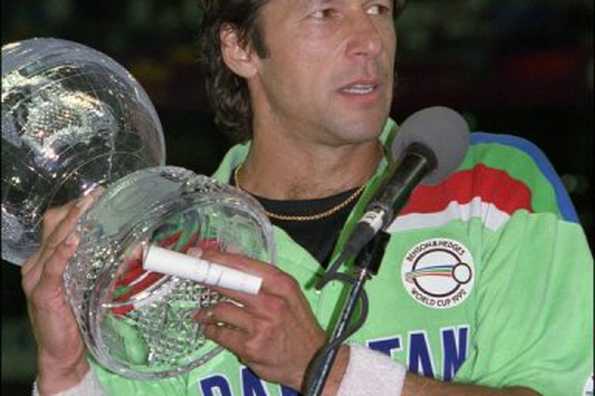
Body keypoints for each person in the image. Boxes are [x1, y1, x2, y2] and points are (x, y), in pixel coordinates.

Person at [22, 1, 593, 395]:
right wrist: (64, 369)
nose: (370, 41)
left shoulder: (494, 188)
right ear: (241, 46)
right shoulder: (169, 250)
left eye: (379, 10)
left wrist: (329, 371)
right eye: (325, 13)